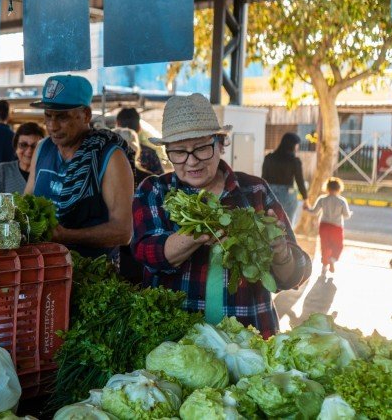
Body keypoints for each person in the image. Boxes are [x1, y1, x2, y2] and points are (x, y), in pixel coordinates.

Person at [132, 94, 312, 338]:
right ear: (168, 153)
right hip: (177, 341)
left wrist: (281, 254)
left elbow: (294, 276)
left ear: (220, 144)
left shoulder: (255, 191)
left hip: (251, 338)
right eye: (179, 152)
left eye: (202, 148)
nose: (192, 161)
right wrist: (197, 234)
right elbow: (147, 253)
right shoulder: (154, 190)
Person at [25, 75, 135, 260]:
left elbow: (123, 232)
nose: (52, 125)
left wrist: (65, 236)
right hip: (43, 267)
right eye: (48, 116)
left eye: (62, 117)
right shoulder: (43, 148)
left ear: (86, 115)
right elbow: (28, 198)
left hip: (92, 274)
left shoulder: (109, 156)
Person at [303, 177, 352, 275]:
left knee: (325, 246)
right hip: (336, 227)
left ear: (327, 188)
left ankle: (324, 266)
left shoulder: (322, 199)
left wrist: (306, 208)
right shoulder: (342, 201)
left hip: (324, 226)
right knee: (338, 245)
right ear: (339, 188)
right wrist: (350, 213)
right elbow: (346, 216)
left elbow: (314, 212)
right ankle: (332, 260)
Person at [262, 133, 308, 224]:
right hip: (287, 195)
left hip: (271, 194)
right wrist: (305, 198)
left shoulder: (269, 158)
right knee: (287, 225)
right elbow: (300, 181)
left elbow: (263, 178)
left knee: (270, 223)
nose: (297, 148)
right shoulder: (295, 161)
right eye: (297, 145)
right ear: (292, 145)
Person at [0, 122, 46, 194]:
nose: (29, 151)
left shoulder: (47, 173)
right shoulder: (3, 170)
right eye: (23, 145)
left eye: (35, 146)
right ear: (16, 147)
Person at [116, 107, 165, 175]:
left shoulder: (108, 152)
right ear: (139, 127)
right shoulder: (150, 153)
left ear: (117, 126)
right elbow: (161, 180)